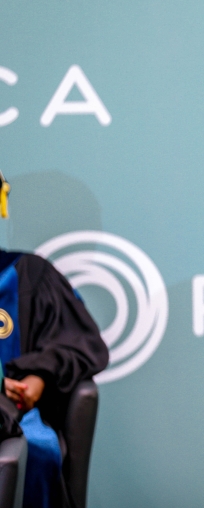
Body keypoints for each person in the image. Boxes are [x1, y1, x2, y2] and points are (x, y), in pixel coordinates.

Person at [0, 169, 109, 508]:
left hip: (11, 413)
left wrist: (38, 373)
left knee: (40, 450)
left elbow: (80, 342)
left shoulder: (25, 274)